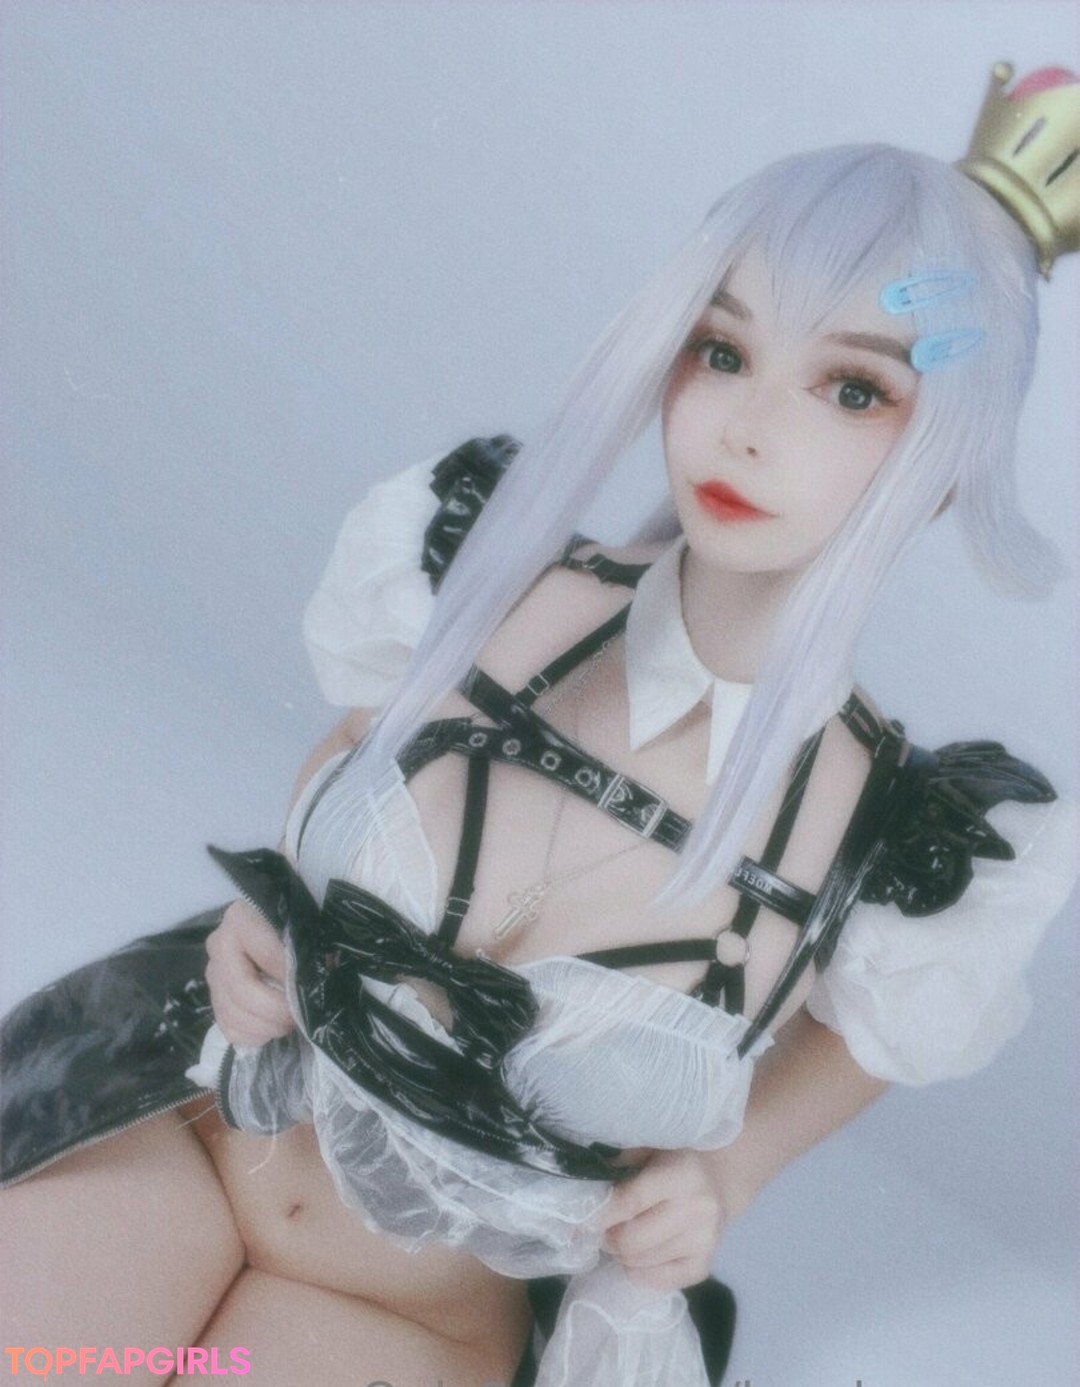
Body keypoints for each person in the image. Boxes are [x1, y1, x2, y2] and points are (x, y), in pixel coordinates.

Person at [2, 64, 1077, 1387]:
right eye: (725, 351)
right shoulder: (477, 572)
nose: (747, 429)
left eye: (851, 389)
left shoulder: (903, 840)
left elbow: (878, 1036)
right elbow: (360, 748)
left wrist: (727, 1174)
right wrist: (263, 920)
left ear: (952, 449)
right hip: (191, 1151)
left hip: (412, 1313)